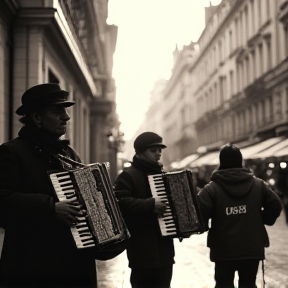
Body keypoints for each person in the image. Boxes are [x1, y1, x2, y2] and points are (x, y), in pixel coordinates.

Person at [0, 83, 97, 288]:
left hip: (76, 266)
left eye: (66, 110)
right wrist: (50, 208)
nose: (66, 117)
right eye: (57, 111)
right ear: (36, 118)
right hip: (33, 267)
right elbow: (2, 200)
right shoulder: (11, 152)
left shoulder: (69, 154)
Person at [197, 144, 282, 288]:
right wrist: (263, 218)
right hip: (251, 247)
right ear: (241, 161)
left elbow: (199, 213)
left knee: (223, 284)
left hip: (223, 249)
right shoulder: (258, 185)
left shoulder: (211, 189)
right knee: (248, 283)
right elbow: (275, 205)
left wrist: (204, 226)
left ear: (221, 162)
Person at [114, 132, 175, 288]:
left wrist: (183, 224)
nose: (158, 154)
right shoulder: (127, 176)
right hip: (142, 252)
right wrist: (150, 204)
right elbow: (120, 204)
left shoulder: (164, 175)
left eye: (159, 150)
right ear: (140, 153)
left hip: (165, 253)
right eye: (153, 150)